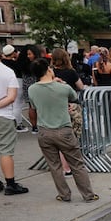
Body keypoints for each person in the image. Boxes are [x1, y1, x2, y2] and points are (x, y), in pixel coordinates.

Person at [27, 58, 98, 203]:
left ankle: (64, 194)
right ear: (48, 70)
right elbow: (73, 97)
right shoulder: (63, 88)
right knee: (77, 164)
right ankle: (88, 194)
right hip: (64, 130)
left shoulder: (32, 89)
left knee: (54, 166)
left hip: (44, 131)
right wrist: (61, 83)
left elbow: (33, 108)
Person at [0, 35, 28, 195]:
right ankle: (10, 183)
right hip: (3, 114)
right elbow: (11, 97)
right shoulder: (7, 71)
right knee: (5, 150)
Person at [51, 48, 86, 176]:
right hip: (71, 106)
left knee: (58, 138)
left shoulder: (50, 73)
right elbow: (81, 86)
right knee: (72, 138)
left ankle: (61, 166)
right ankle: (69, 166)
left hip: (54, 107)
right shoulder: (71, 72)